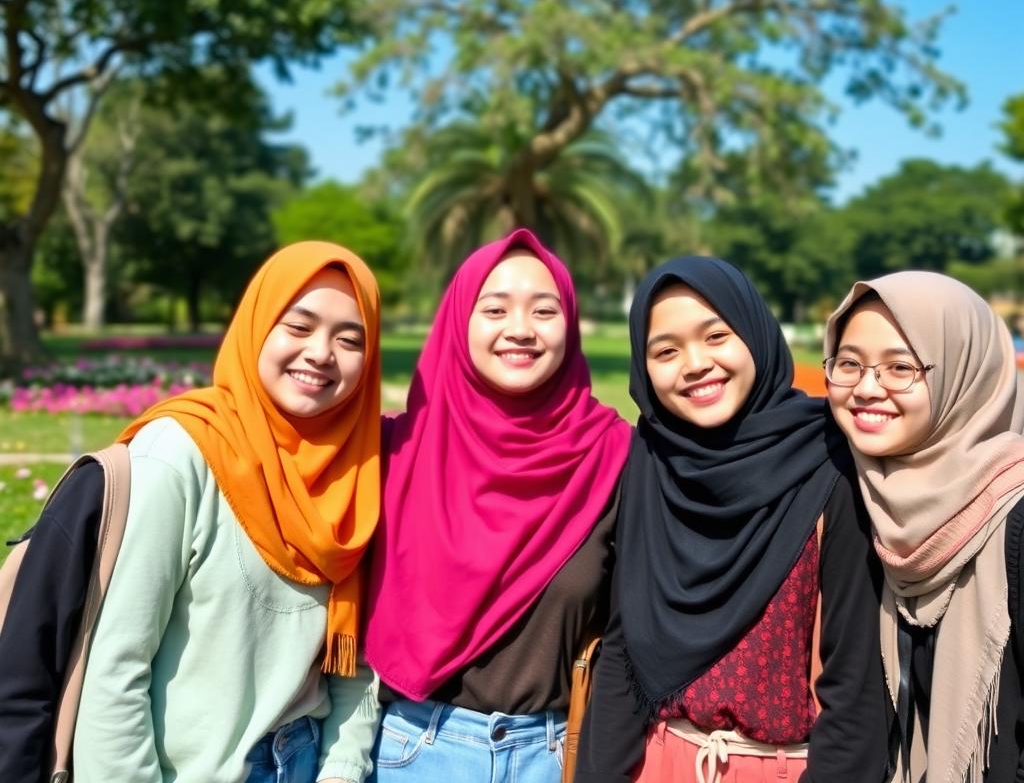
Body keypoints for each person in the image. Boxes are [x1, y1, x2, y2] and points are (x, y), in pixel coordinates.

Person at [65, 241, 383, 783]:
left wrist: (342, 769)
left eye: (349, 339)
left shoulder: (359, 473)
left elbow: (353, 663)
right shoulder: (182, 452)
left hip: (309, 763)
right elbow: (115, 667)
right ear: (257, 325)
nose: (321, 353)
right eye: (299, 326)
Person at [578, 256, 891, 783]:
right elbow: (623, 648)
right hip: (656, 764)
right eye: (666, 350)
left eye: (716, 335)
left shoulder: (830, 461)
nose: (695, 363)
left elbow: (855, 688)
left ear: (754, 332)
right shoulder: (653, 462)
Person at [363, 228, 631, 782]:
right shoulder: (393, 452)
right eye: (495, 309)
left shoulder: (612, 458)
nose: (521, 331)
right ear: (459, 322)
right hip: (411, 753)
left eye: (544, 310)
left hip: (553, 758)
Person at [825, 271, 1024, 782]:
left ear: (965, 372)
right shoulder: (871, 497)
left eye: (900, 367)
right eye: (849, 364)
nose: (867, 389)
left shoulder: (1015, 519)